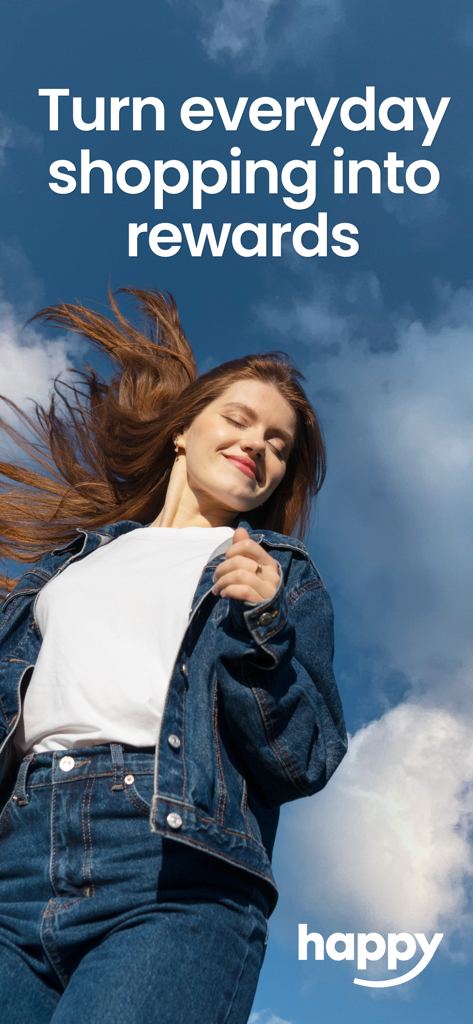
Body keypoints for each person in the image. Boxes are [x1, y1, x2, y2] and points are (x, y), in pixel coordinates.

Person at [0, 287, 347, 1024]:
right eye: (239, 419)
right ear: (183, 431)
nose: (258, 445)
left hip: (175, 868)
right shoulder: (67, 566)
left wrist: (263, 630)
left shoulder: (274, 573)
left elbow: (301, 761)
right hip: (15, 860)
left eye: (278, 444)